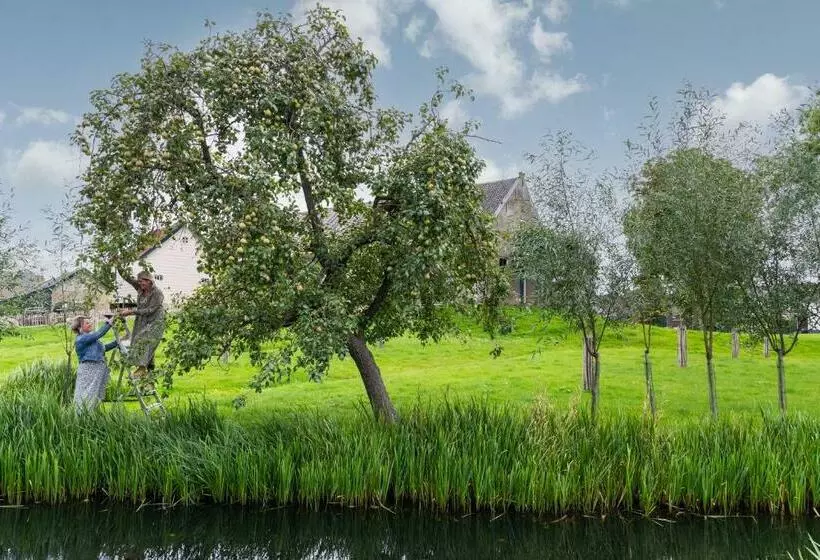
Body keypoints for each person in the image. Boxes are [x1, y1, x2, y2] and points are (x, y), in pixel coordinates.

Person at [118, 270, 166, 384]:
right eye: (139, 282)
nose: (140, 284)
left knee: (143, 339)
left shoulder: (157, 293)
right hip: (143, 320)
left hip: (156, 321)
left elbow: (150, 310)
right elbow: (127, 277)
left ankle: (142, 367)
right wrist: (118, 264)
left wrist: (131, 312)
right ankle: (148, 380)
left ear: (149, 281)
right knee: (144, 347)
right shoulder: (140, 288)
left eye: (142, 281)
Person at [72, 315, 118, 410]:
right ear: (80, 327)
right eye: (87, 323)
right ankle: (81, 415)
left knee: (93, 396)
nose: (90, 324)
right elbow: (99, 334)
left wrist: (117, 342)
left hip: (96, 370)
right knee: (86, 395)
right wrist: (109, 323)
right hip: (89, 371)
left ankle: (89, 416)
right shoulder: (81, 339)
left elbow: (104, 348)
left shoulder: (91, 340)